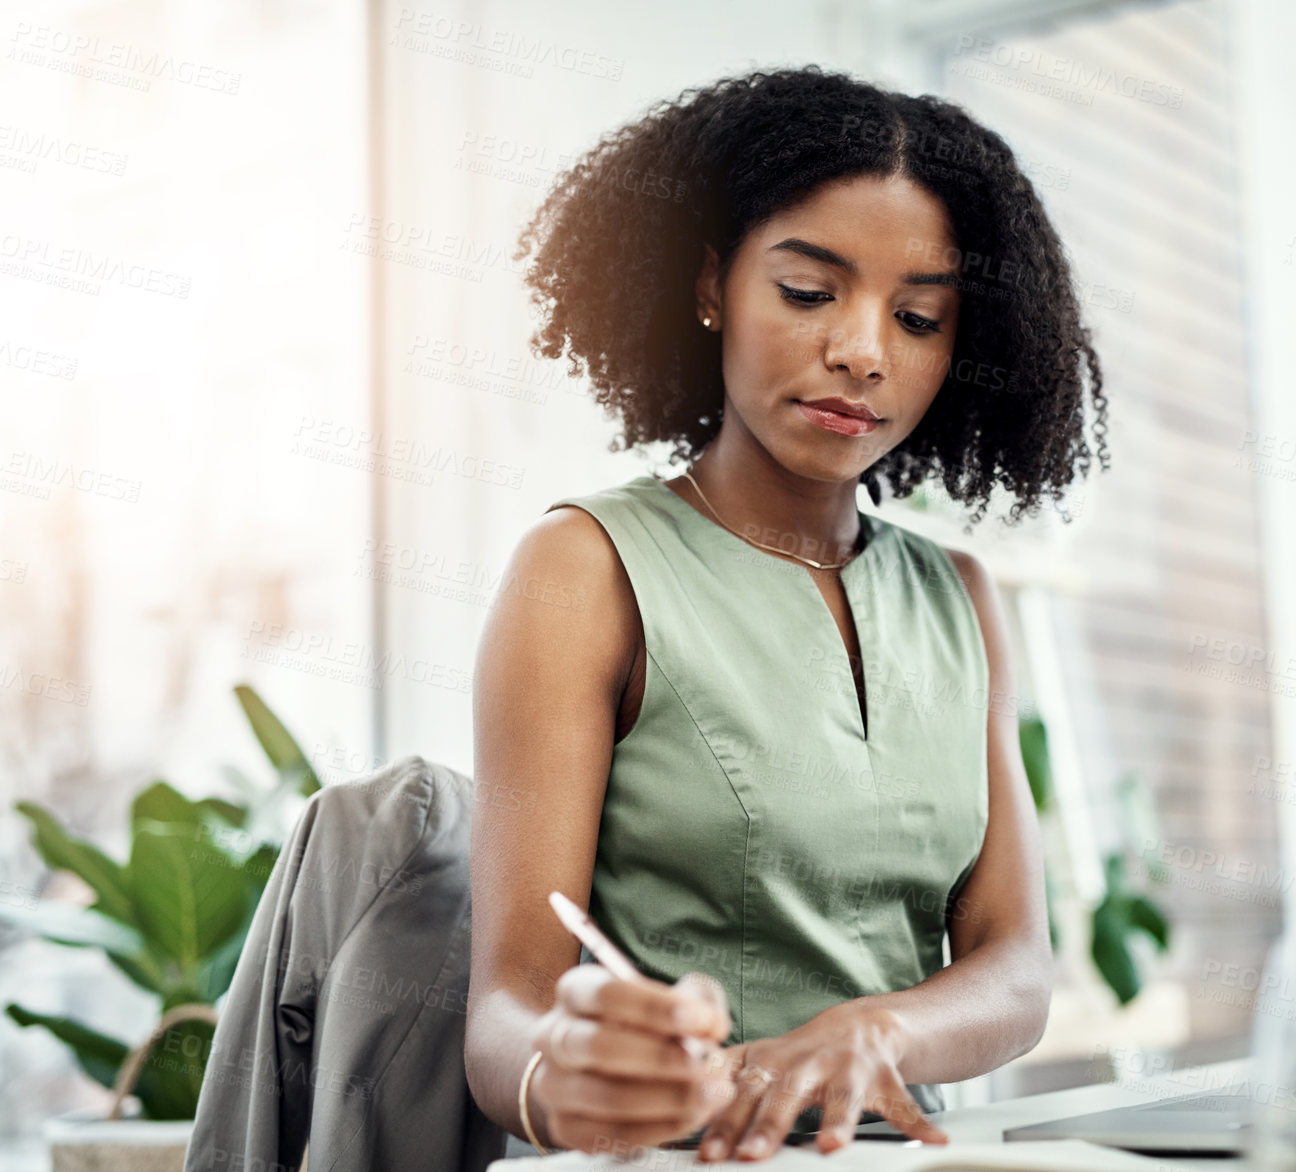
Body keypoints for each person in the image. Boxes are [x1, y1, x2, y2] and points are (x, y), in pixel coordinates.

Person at [465, 64, 1110, 1162]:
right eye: (810, 293)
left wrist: (877, 1027)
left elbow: (1015, 967)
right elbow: (502, 1011)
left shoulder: (959, 596)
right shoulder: (584, 568)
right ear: (713, 282)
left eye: (917, 317)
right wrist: (559, 1074)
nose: (863, 350)